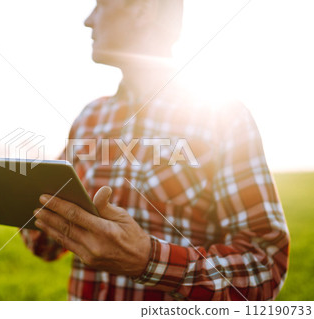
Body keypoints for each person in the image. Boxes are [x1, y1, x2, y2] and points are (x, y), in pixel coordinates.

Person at [21, 0, 289, 301]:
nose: (89, 20)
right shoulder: (89, 118)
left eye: (101, 4)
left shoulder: (222, 117)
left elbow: (266, 265)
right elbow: (44, 247)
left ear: (143, 10)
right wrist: (26, 200)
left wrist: (148, 259)